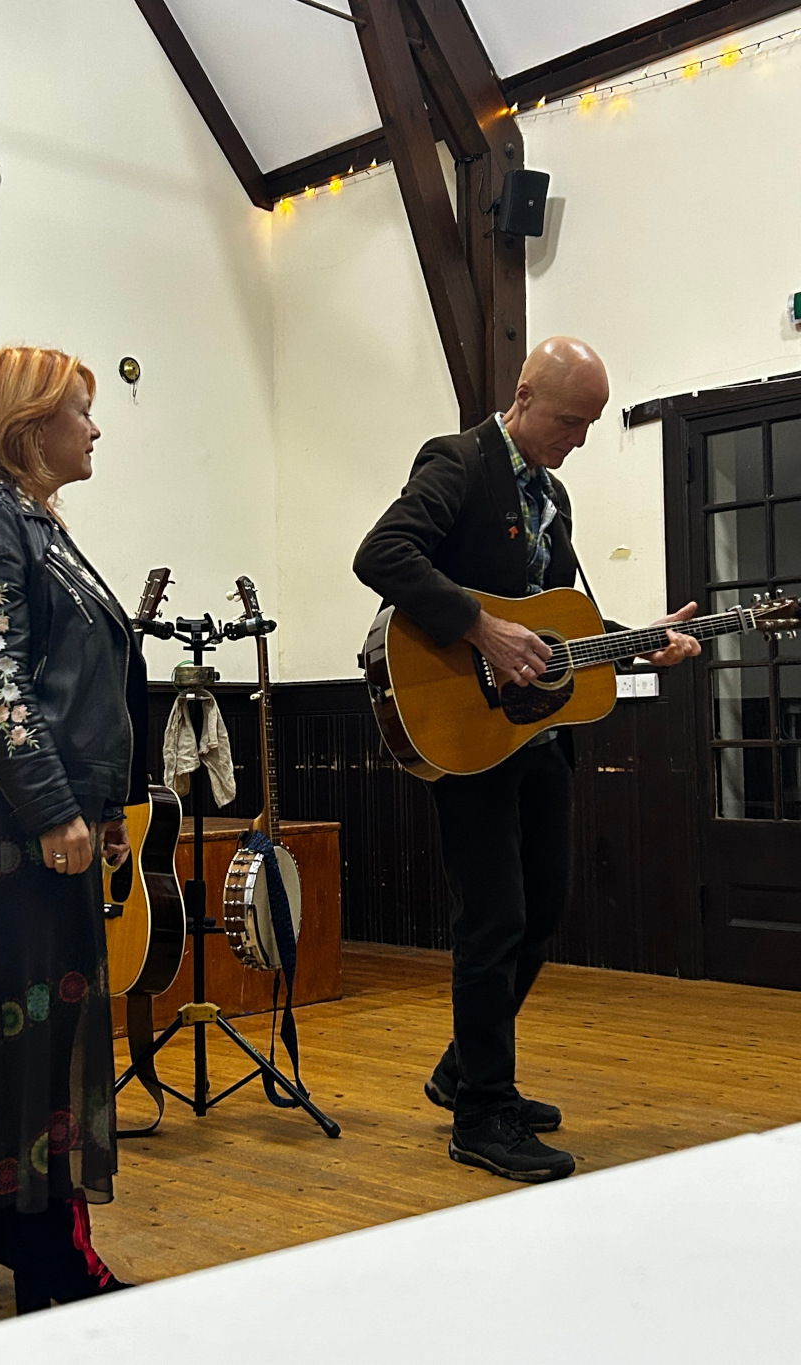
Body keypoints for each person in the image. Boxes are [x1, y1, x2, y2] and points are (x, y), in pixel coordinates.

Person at [353, 337, 700, 1183]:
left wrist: (639, 643)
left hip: (536, 735)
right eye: (570, 420)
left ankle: (464, 1068)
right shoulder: (460, 462)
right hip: (465, 731)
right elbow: (382, 554)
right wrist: (478, 626)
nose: (578, 438)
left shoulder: (554, 497)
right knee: (493, 917)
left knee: (542, 908)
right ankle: (483, 1114)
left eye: (588, 425)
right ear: (524, 394)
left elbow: (553, 617)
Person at [0, 345, 148, 1310]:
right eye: (82, 412)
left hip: (46, 804)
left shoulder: (35, 523)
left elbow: (78, 681)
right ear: (29, 424)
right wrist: (56, 806)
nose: (95, 428)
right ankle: (42, 1239)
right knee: (27, 1026)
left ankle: (14, 1222)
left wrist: (104, 807)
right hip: (11, 812)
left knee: (41, 1023)